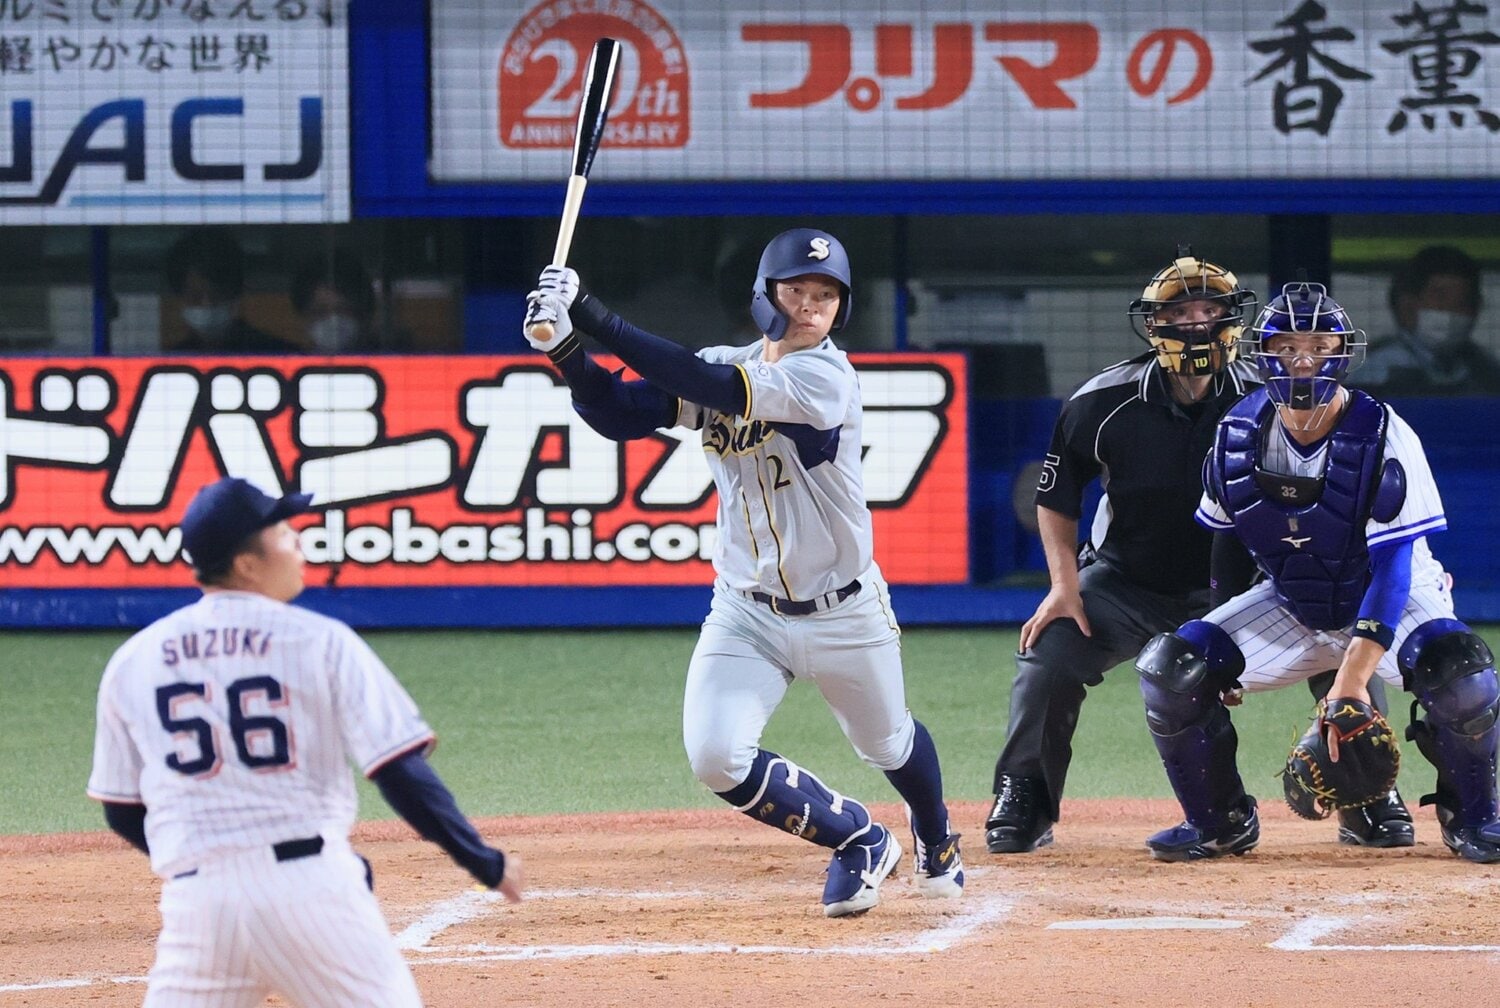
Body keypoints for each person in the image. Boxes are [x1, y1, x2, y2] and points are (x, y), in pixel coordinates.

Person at [520, 228, 963, 918]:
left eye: (825, 295)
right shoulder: (729, 361)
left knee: (888, 743)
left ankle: (936, 833)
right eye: (796, 290)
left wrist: (593, 314)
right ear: (764, 295)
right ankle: (859, 838)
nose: (810, 306)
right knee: (715, 755)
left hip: (844, 609)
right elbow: (621, 413)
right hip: (745, 611)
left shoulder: (826, 378)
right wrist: (566, 352)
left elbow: (712, 387)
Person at [86, 476, 523, 1004]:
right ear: (247, 564)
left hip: (199, 906)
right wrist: (482, 861)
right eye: (285, 534)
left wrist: (209, 856)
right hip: (312, 894)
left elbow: (121, 810)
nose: (299, 544)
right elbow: (400, 771)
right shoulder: (320, 641)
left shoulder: (134, 660)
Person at [1137, 280, 1500, 864]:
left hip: (1390, 596)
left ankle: (1473, 815)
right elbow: (1227, 546)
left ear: (1343, 353)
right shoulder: (1236, 433)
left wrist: (1350, 682)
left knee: (1460, 672)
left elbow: (1392, 569)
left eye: (1319, 347)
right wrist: (1218, 652)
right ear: (1262, 354)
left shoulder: (1384, 433)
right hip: (1294, 602)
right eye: (1285, 347)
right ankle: (1218, 822)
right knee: (1174, 669)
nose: (1302, 361)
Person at [1359, 244, 1500, 397]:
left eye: (1463, 302)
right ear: (1408, 304)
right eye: (1440, 298)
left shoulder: (1485, 370)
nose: (1450, 310)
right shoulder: (1382, 369)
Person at [163, 227, 304, 354]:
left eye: (217, 295)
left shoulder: (279, 355)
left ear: (236, 294)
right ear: (179, 298)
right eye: (195, 296)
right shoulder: (170, 363)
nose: (207, 304)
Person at [290, 248, 405, 353]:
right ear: (302, 318)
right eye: (320, 311)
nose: (333, 320)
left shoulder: (391, 360)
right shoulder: (287, 363)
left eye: (343, 309)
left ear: (364, 314)